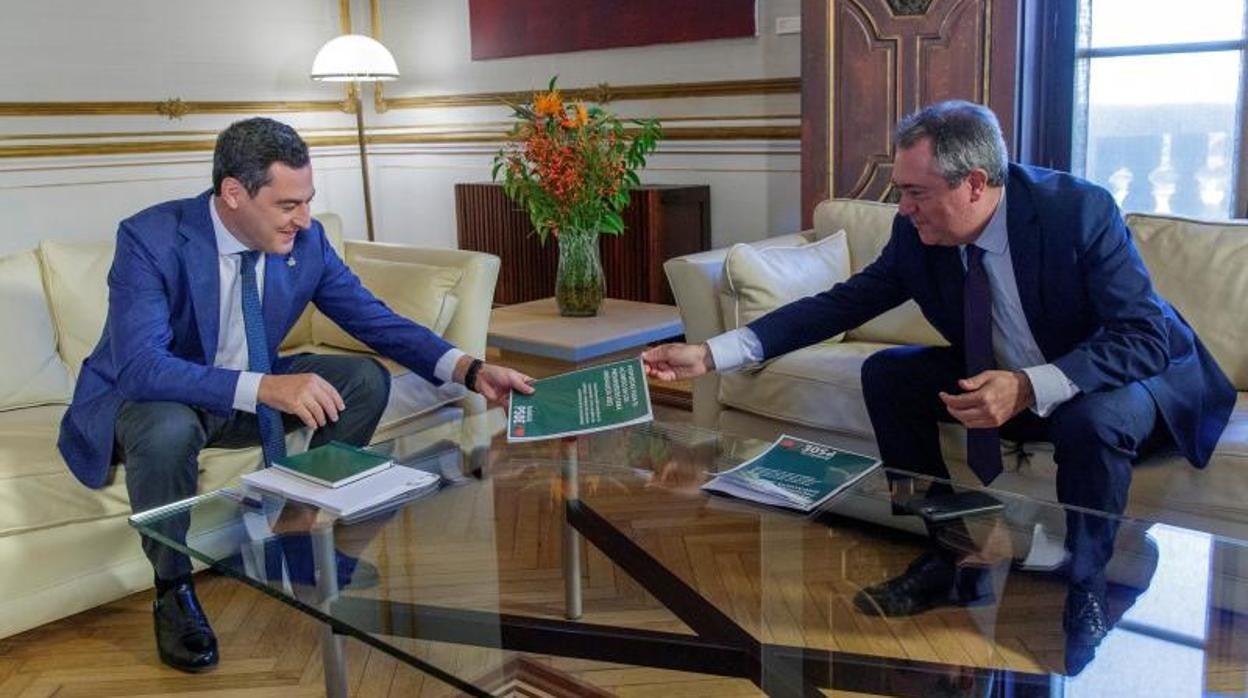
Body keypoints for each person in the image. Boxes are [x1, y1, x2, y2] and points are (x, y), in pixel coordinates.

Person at [643, 101, 1234, 655]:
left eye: (916, 192)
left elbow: (1143, 337)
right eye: (902, 192)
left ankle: (1088, 589)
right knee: (889, 376)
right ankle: (948, 550)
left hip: (1130, 377)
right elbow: (842, 304)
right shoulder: (918, 234)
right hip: (1014, 372)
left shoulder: (1076, 212)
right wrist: (712, 354)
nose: (903, 208)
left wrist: (1028, 385)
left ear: (975, 183)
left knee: (1090, 417)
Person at [57, 117, 533, 672]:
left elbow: (371, 319)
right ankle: (173, 589)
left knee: (363, 380)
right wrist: (266, 386)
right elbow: (141, 369)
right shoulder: (151, 238)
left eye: (307, 201)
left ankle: (295, 533)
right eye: (288, 204)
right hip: (153, 401)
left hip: (238, 395)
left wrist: (471, 370)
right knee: (168, 428)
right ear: (233, 194)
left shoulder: (304, 242)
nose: (304, 219)